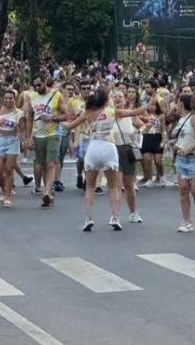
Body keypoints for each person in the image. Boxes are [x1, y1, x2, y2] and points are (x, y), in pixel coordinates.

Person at [66, 87, 148, 232]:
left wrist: (57, 122)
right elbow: (134, 112)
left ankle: (88, 218)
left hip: (93, 148)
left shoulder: (88, 113)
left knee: (90, 187)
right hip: (109, 148)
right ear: (106, 101)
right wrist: (150, 103)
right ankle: (115, 217)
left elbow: (70, 126)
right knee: (113, 187)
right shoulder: (111, 112)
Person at [24, 76, 71, 208]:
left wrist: (52, 117)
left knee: (51, 163)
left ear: (45, 83)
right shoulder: (32, 97)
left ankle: (47, 192)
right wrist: (28, 137)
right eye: (35, 86)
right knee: (43, 164)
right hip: (39, 135)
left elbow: (66, 115)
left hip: (53, 134)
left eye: (39, 85)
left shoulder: (56, 95)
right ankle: (49, 192)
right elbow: (29, 117)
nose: (37, 88)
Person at [0, 88, 27, 207]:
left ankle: (7, 196)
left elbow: (22, 129)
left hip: (12, 141)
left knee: (9, 170)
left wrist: (25, 141)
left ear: (15, 100)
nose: (8, 100)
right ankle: (4, 190)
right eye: (6, 98)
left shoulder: (19, 113)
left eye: (11, 98)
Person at [110, 88, 145, 223]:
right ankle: (115, 216)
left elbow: (142, 125)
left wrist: (138, 132)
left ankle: (133, 212)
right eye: (115, 97)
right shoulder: (109, 115)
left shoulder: (131, 115)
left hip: (128, 150)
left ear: (125, 100)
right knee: (117, 185)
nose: (118, 99)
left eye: (120, 97)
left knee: (129, 185)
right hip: (113, 150)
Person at [169, 94, 195, 232]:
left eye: (177, 103)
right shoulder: (180, 120)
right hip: (181, 159)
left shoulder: (192, 118)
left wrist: (188, 149)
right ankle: (187, 221)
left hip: (192, 158)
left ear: (182, 104)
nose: (175, 105)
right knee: (183, 190)